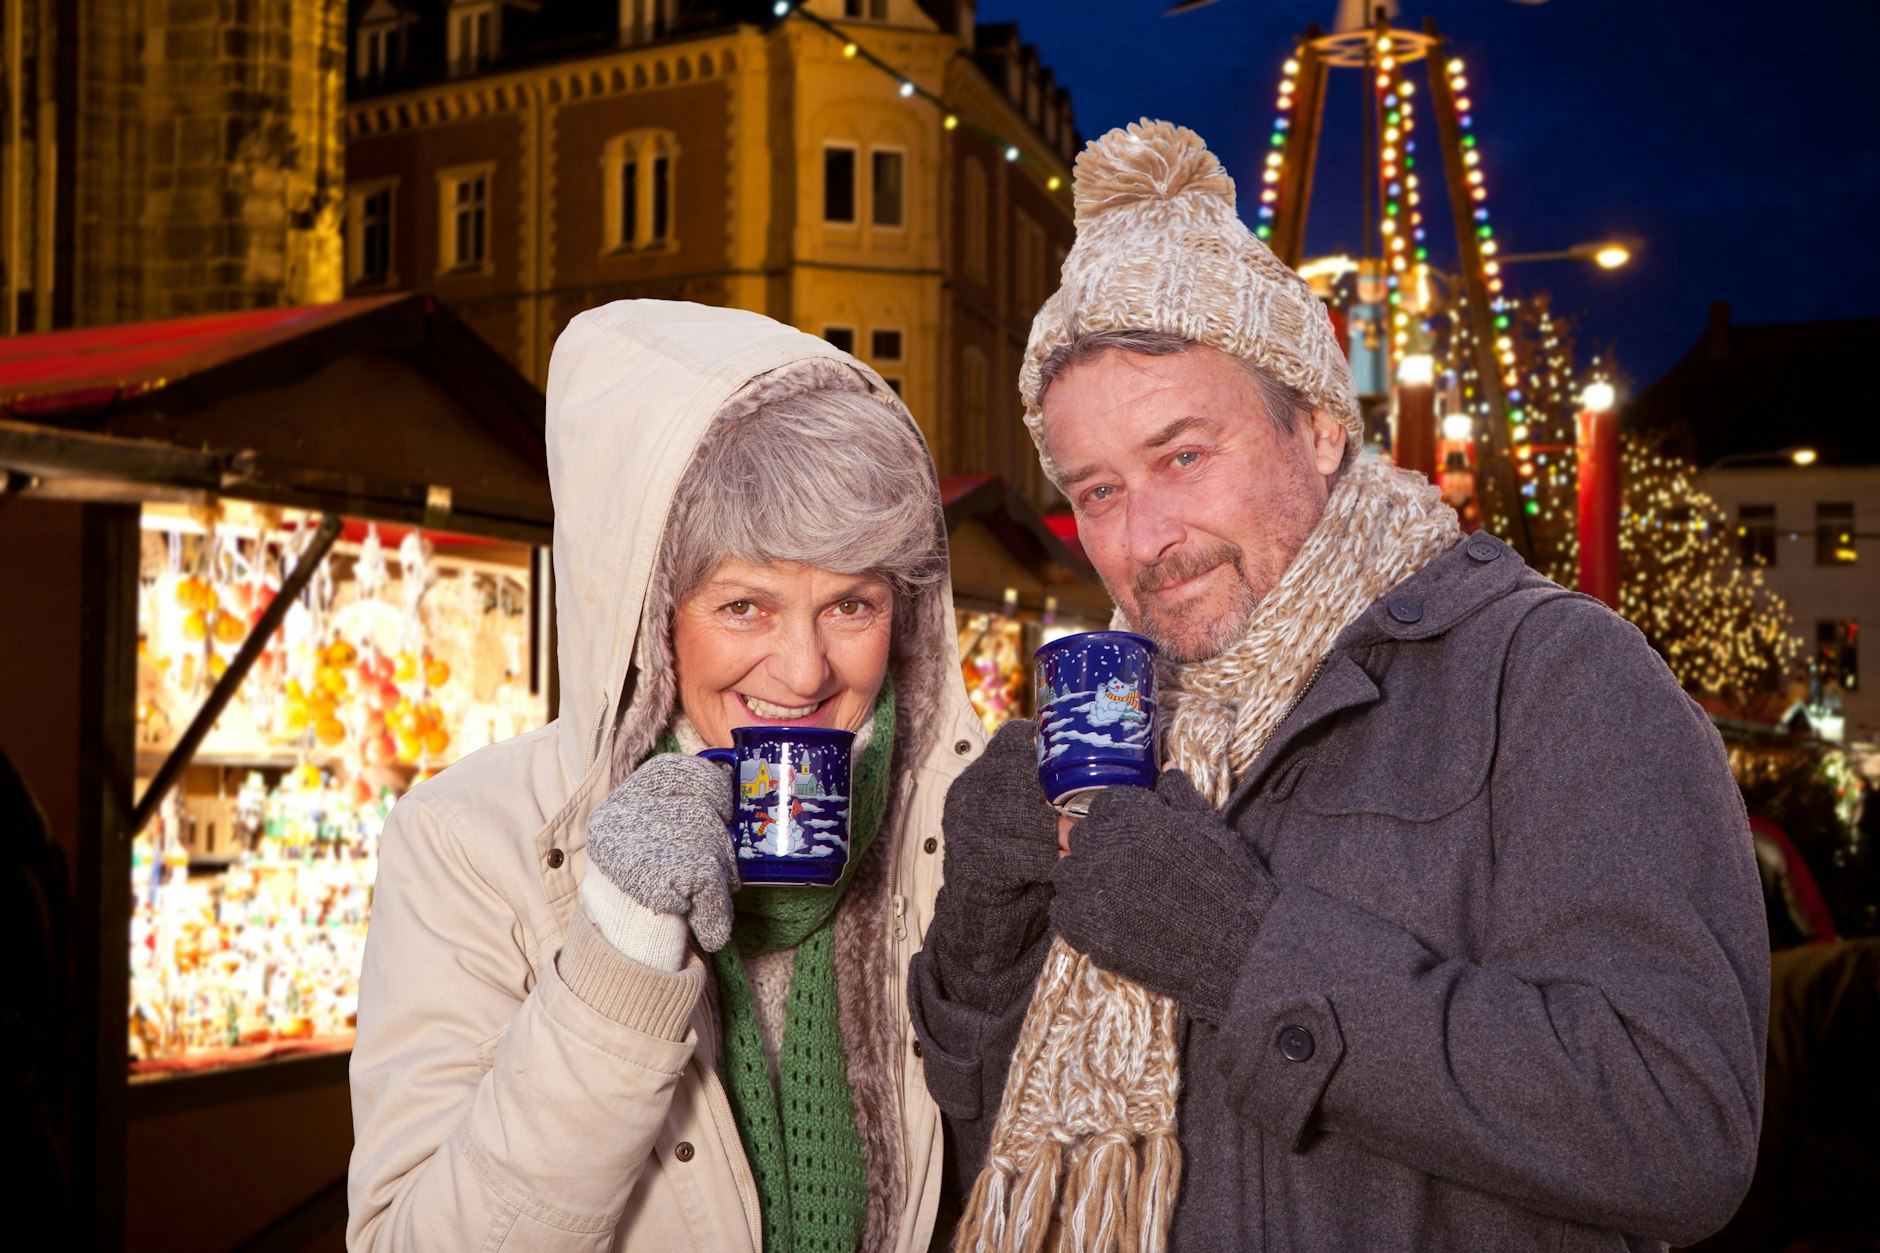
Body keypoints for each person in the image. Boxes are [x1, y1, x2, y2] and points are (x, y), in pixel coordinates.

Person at [909, 121, 1768, 1251]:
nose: (1145, 535)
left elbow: (1679, 1126)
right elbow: (982, 1155)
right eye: (1097, 489)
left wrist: (1247, 949)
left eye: (1181, 455)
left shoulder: (1555, 676)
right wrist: (979, 937)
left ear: (1317, 427)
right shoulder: (1114, 727)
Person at [349, 301, 986, 1251]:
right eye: (744, 605)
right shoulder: (470, 841)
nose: (804, 669)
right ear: (653, 614)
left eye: (850, 602)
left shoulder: (961, 817)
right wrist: (620, 947)